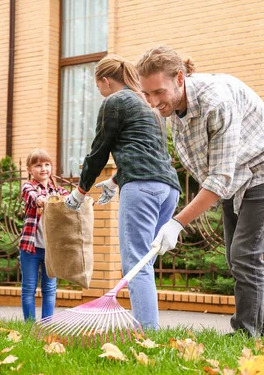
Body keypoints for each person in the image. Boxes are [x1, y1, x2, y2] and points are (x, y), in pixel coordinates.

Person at [135, 45, 264, 338]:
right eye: (146, 94)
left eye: (158, 92)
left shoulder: (215, 101)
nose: (153, 102)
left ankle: (246, 335)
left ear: (180, 78)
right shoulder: (173, 108)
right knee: (239, 258)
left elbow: (218, 178)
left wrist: (176, 222)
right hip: (235, 178)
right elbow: (208, 169)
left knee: (245, 254)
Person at [64, 54, 181, 330]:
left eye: (98, 86)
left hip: (142, 187)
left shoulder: (114, 101)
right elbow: (146, 152)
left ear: (105, 81)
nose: (100, 92)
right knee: (144, 263)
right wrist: (115, 181)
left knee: (134, 264)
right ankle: (149, 327)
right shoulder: (147, 103)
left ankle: (147, 333)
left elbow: (99, 151)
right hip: (168, 188)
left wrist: (80, 192)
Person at [19, 148, 69, 321]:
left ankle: (47, 324)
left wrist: (82, 202)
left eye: (47, 164)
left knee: (49, 289)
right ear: (29, 169)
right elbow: (33, 197)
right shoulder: (28, 187)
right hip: (30, 248)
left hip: (51, 249)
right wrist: (40, 200)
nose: (43, 169)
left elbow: (70, 202)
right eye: (38, 165)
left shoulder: (59, 191)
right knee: (29, 288)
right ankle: (30, 326)